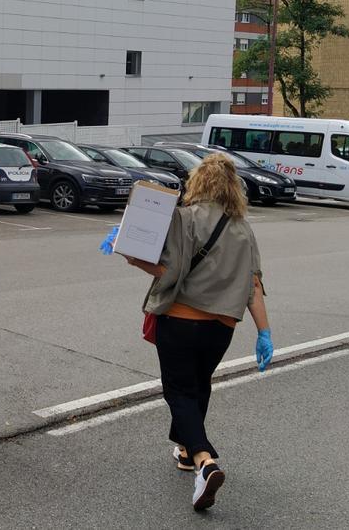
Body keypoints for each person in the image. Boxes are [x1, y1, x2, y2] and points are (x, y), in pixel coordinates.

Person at [124, 153, 273, 511]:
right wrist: (263, 332)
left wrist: (130, 255)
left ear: (198, 182)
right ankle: (186, 451)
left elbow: (167, 271)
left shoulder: (184, 218)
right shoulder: (243, 228)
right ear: (232, 188)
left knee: (179, 391)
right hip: (220, 328)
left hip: (179, 320)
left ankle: (205, 462)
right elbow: (253, 285)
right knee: (199, 384)